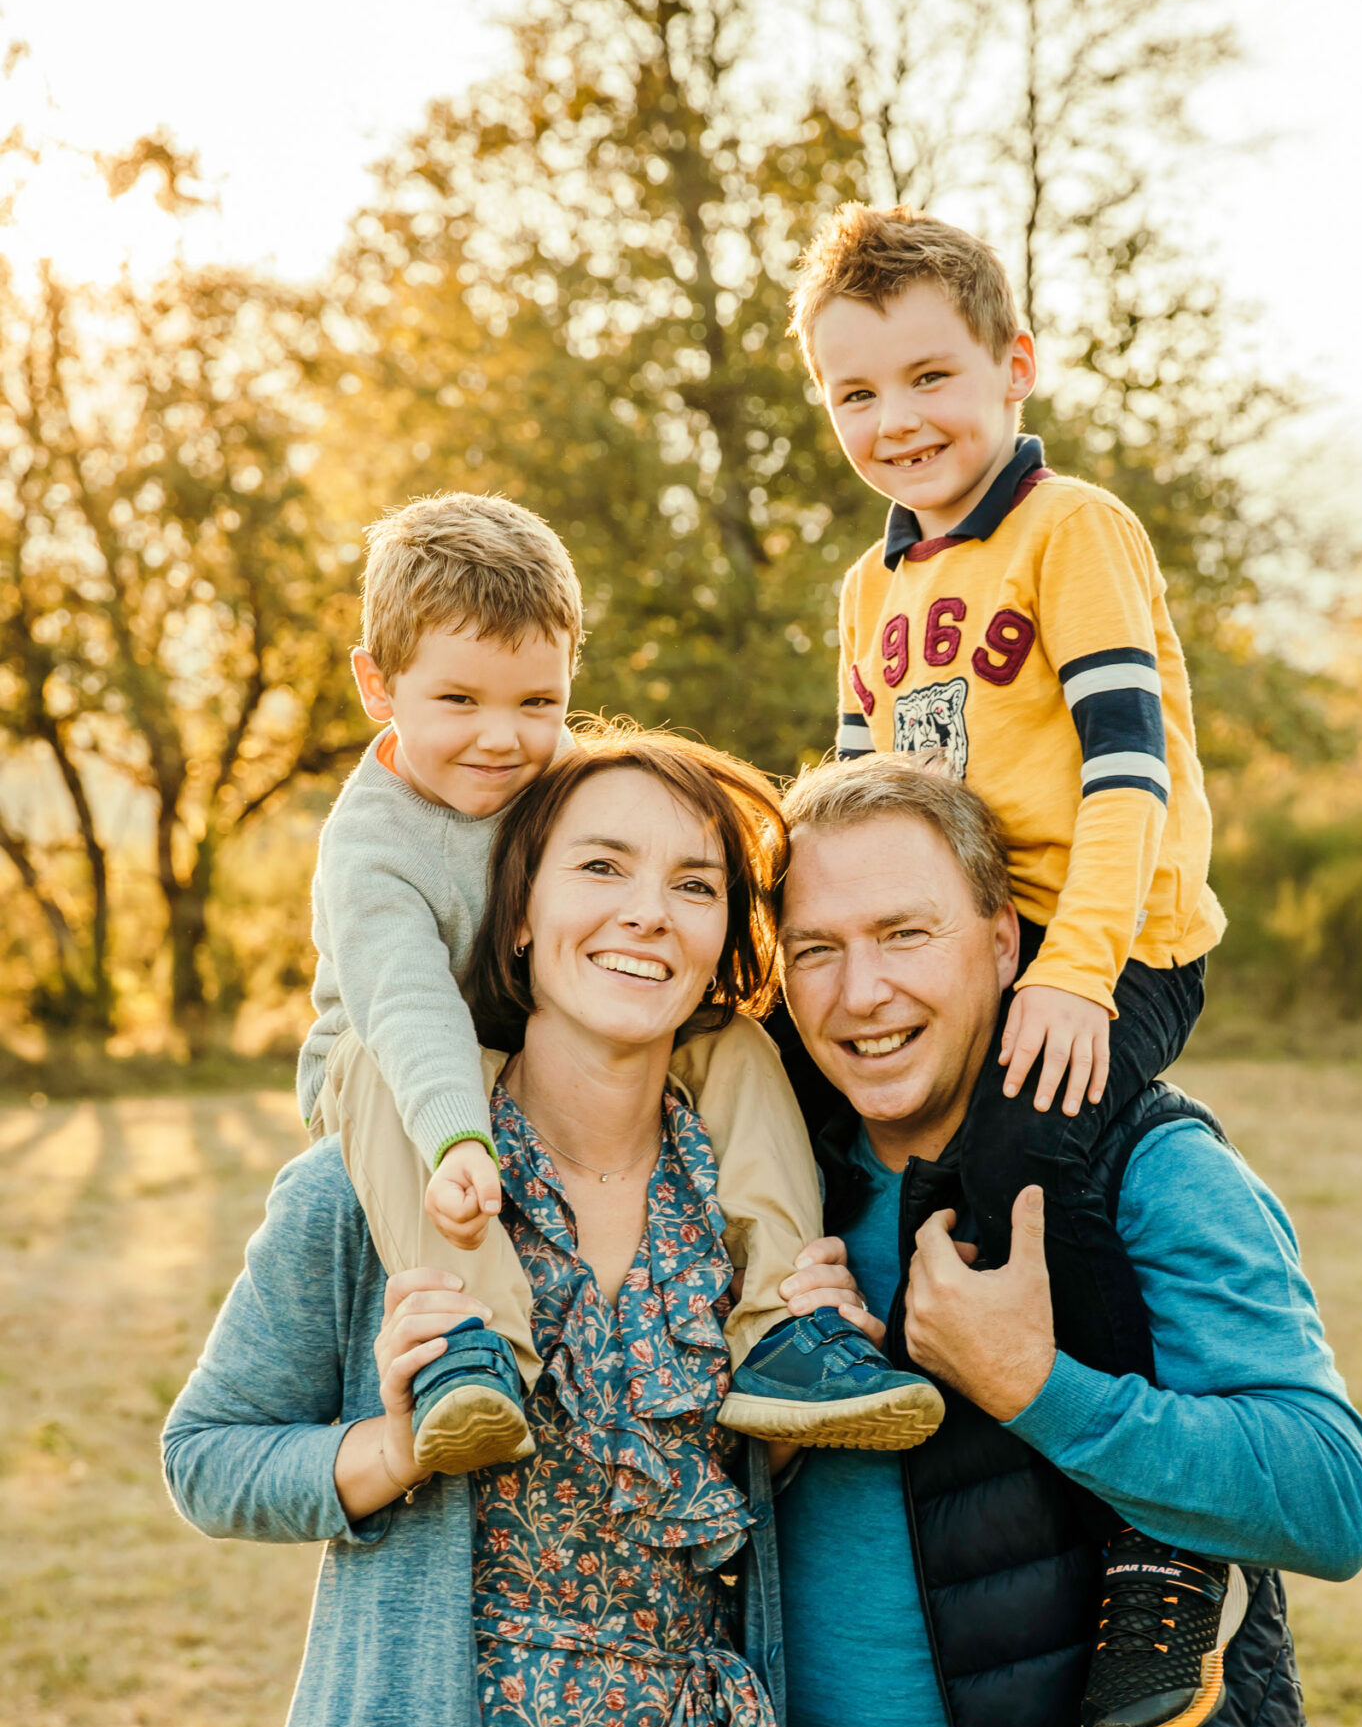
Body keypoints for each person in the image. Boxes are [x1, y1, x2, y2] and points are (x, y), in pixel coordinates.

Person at [162, 730, 802, 1727]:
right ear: (517, 913)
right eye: (600, 867)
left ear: (720, 940)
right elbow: (205, 1454)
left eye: (692, 883)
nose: (646, 909)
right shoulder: (373, 1178)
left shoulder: (763, 1201)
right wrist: (384, 1449)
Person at [765, 754, 1362, 1727]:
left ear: (1003, 941)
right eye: (814, 950)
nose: (859, 994)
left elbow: (1324, 1493)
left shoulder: (1140, 1168)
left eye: (904, 934)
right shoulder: (773, 1164)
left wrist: (1031, 1385)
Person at [734, 204, 1225, 1727]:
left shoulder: (1068, 530)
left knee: (1024, 1158)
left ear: (1015, 367)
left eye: (929, 379)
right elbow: (847, 800)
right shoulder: (869, 588)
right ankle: (804, 1360)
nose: (894, 422)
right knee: (803, 1130)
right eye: (853, 396)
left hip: (1110, 935)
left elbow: (1126, 776)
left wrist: (1073, 978)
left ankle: (1164, 1550)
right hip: (962, 950)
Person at [298, 490, 943, 1470]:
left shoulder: (551, 776)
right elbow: (410, 1006)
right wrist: (458, 1139)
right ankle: (476, 1348)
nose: (502, 738)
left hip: (532, 1037)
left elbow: (652, 837)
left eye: (537, 702)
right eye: (459, 701)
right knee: (374, 1063)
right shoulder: (372, 849)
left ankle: (781, 1327)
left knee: (729, 1044)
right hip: (399, 1071)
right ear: (378, 686)